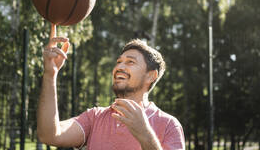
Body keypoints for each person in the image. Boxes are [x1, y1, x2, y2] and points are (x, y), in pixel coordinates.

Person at [37, 24, 185, 150]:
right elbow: (49, 134)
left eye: (130, 62)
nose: (119, 67)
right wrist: (50, 75)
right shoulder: (95, 117)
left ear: (151, 76)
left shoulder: (169, 125)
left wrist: (145, 135)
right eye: (118, 61)